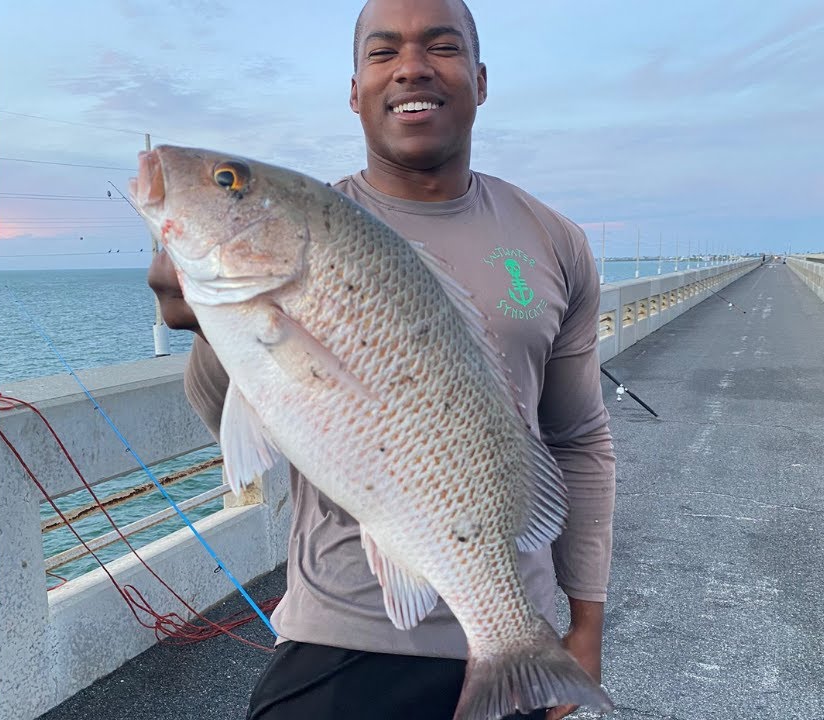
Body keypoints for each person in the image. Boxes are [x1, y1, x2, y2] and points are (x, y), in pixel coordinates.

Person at [147, 1, 616, 717]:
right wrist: (212, 326)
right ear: (355, 89)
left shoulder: (555, 240)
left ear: (481, 79)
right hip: (338, 637)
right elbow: (234, 418)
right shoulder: (315, 218)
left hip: (517, 625)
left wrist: (585, 624)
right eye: (382, 52)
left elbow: (579, 440)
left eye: (441, 46)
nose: (411, 67)